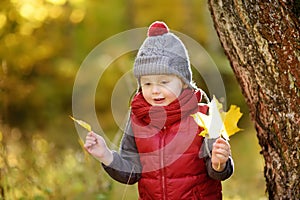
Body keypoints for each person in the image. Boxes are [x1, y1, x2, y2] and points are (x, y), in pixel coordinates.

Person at [84, 21, 233, 199]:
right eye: (147, 83)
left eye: (164, 82)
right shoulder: (137, 119)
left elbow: (219, 172)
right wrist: (106, 156)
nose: (155, 90)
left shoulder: (206, 116)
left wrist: (219, 163)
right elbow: (131, 172)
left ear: (184, 82)